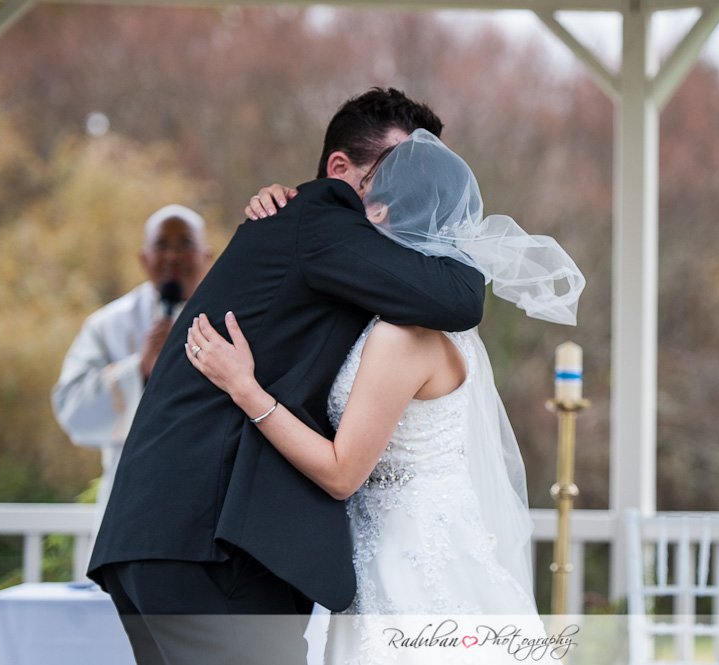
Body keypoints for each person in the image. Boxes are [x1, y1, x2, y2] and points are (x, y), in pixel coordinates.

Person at [86, 88, 485, 665]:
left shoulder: (311, 230)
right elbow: (460, 299)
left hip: (170, 537)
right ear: (339, 169)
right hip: (204, 542)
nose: (408, 194)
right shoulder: (320, 220)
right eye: (399, 172)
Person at [186, 129, 585, 663]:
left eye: (367, 193)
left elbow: (341, 472)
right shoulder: (428, 320)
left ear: (381, 211)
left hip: (410, 556)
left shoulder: (401, 335)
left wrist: (245, 388)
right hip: (412, 538)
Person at [52, 205, 212, 516]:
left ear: (207, 256)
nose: (173, 257)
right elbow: (70, 407)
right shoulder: (108, 324)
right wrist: (138, 371)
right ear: (143, 258)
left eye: (185, 244)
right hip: (131, 496)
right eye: (161, 246)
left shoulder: (231, 319)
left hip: (206, 493)